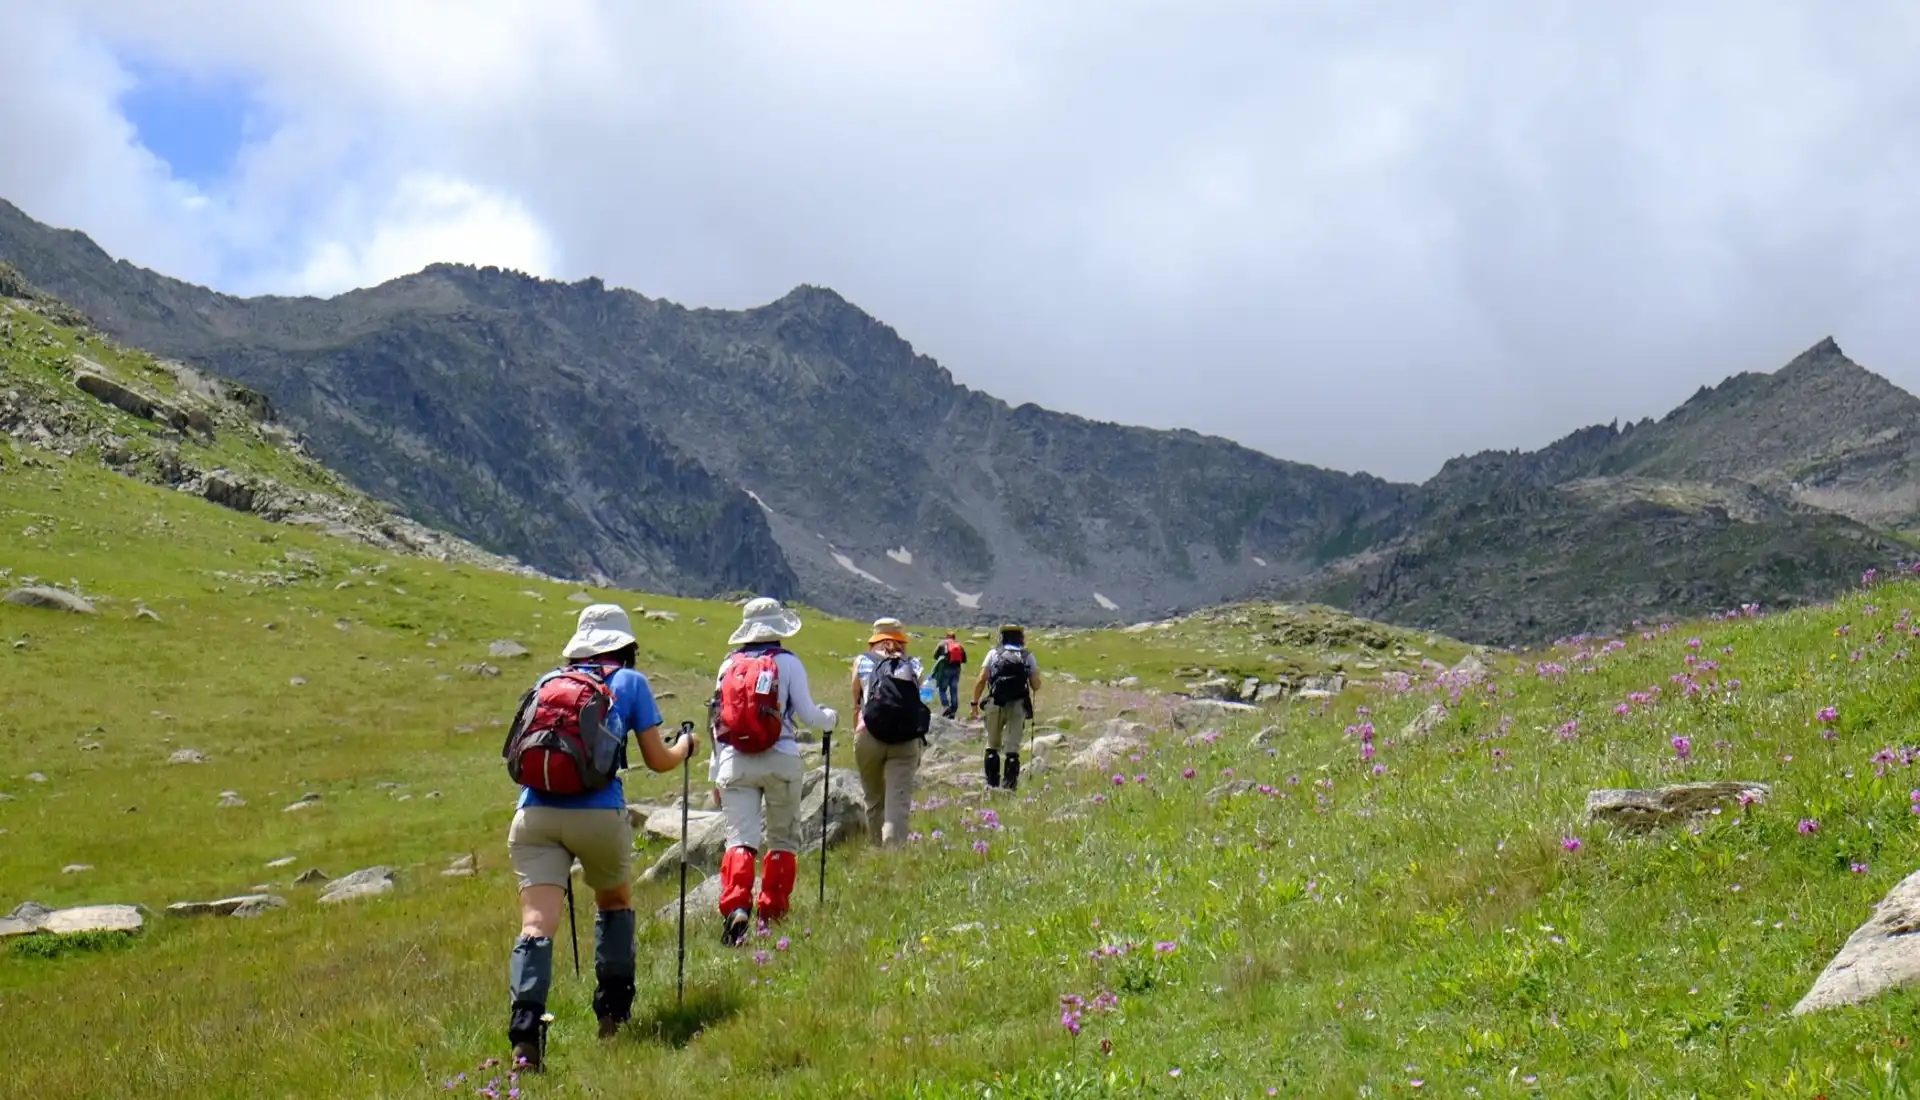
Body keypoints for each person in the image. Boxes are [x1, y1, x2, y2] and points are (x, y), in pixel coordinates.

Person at [503, 603, 698, 1070]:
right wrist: (686, 745)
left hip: (534, 815)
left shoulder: (549, 680)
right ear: (625, 646)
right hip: (598, 814)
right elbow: (658, 760)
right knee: (613, 903)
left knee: (536, 924)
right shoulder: (630, 682)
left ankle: (525, 1034)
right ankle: (612, 1017)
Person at [708, 596, 837, 946]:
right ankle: (772, 914)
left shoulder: (728, 665)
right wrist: (829, 718)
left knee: (740, 838)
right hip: (781, 758)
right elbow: (808, 714)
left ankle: (737, 906)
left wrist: (715, 772)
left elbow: (717, 722)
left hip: (734, 761)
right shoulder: (789, 662)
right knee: (782, 838)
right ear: (779, 628)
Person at [851, 618, 928, 847]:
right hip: (906, 737)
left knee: (874, 798)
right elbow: (924, 698)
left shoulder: (862, 661)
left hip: (868, 733)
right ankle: (893, 853)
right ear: (901, 641)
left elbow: (856, 701)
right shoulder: (914, 664)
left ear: (874, 640)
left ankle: (876, 850)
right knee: (898, 801)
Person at [969, 623, 1041, 791]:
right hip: (1017, 704)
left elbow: (982, 678)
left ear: (1002, 637)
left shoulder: (993, 653)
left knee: (992, 745)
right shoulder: (1027, 655)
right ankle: (1009, 787)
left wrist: (974, 703)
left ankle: (991, 785)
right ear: (1020, 638)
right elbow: (1035, 685)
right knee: (1012, 748)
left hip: (995, 703)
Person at [929, 630, 967, 718]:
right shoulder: (959, 645)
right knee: (954, 690)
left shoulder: (942, 643)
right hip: (956, 670)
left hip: (945, 669)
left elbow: (935, 656)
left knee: (942, 689)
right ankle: (953, 711)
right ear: (954, 637)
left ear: (946, 637)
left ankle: (946, 707)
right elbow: (964, 659)